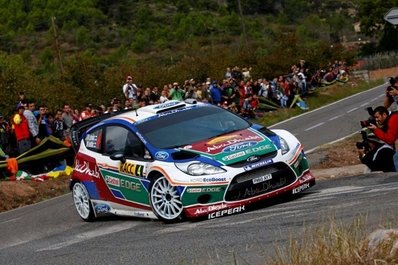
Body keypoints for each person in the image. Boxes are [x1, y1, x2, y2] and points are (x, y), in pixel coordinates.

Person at [368, 106, 398, 171]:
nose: (376, 120)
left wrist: (376, 129)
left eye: (377, 117)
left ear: (384, 114)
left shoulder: (393, 119)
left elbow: (390, 140)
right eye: (375, 118)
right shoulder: (391, 118)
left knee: (396, 158)